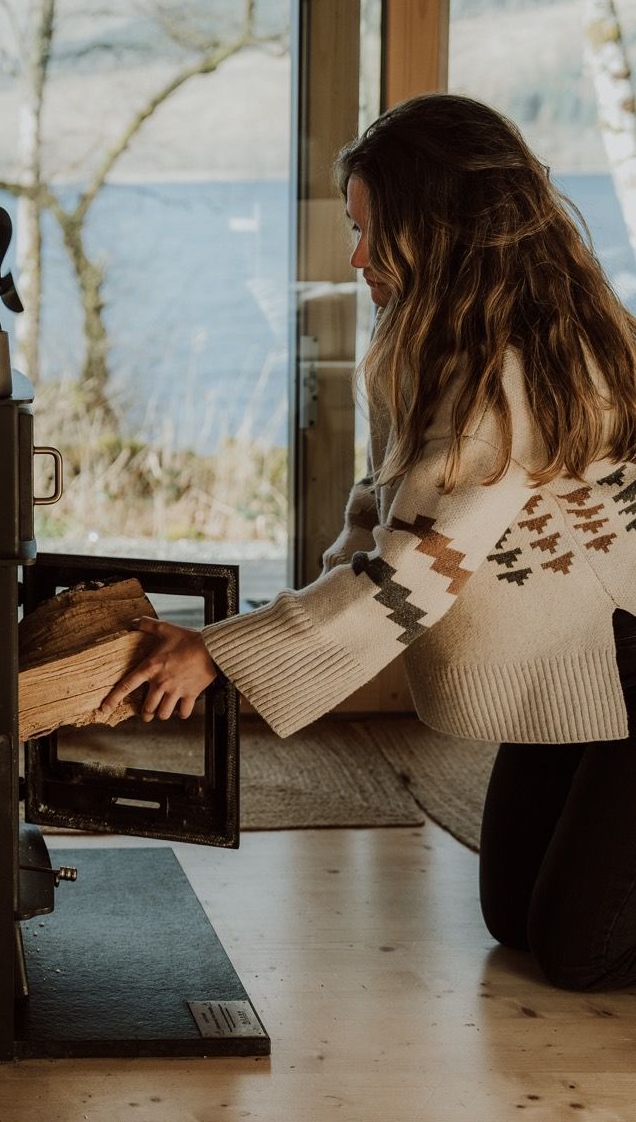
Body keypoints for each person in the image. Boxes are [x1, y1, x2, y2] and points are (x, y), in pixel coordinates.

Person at [101, 93, 636, 992]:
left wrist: (218, 654)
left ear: (439, 229)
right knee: (513, 918)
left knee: (578, 952)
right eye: (355, 229)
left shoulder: (504, 370)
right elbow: (384, 515)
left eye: (371, 230)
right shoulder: (449, 340)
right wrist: (246, 635)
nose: (355, 257)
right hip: (578, 658)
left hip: (625, 649)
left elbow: (413, 569)